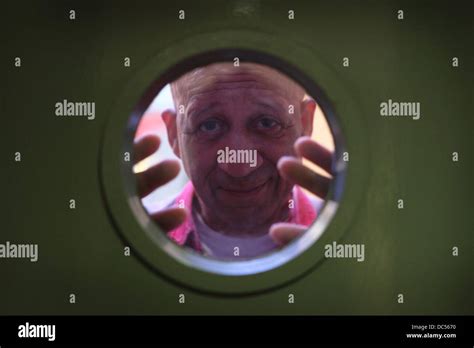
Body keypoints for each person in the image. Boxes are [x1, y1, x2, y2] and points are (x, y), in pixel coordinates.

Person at [134, 62, 333, 259]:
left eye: (267, 123)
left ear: (305, 123)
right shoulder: (134, 239)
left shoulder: (340, 237)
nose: (240, 168)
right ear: (174, 134)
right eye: (209, 125)